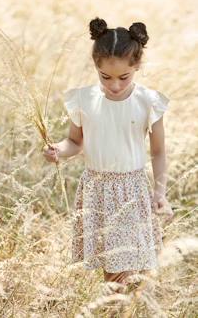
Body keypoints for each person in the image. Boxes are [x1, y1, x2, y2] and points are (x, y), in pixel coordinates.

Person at [42, 17, 174, 293]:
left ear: (136, 66)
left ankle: (128, 308)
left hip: (133, 190)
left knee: (136, 266)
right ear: (96, 67)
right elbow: (75, 142)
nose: (115, 85)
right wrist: (58, 150)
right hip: (98, 190)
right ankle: (115, 309)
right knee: (115, 270)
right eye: (106, 77)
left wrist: (160, 192)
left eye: (124, 77)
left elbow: (159, 151)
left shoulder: (147, 101)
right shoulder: (85, 99)